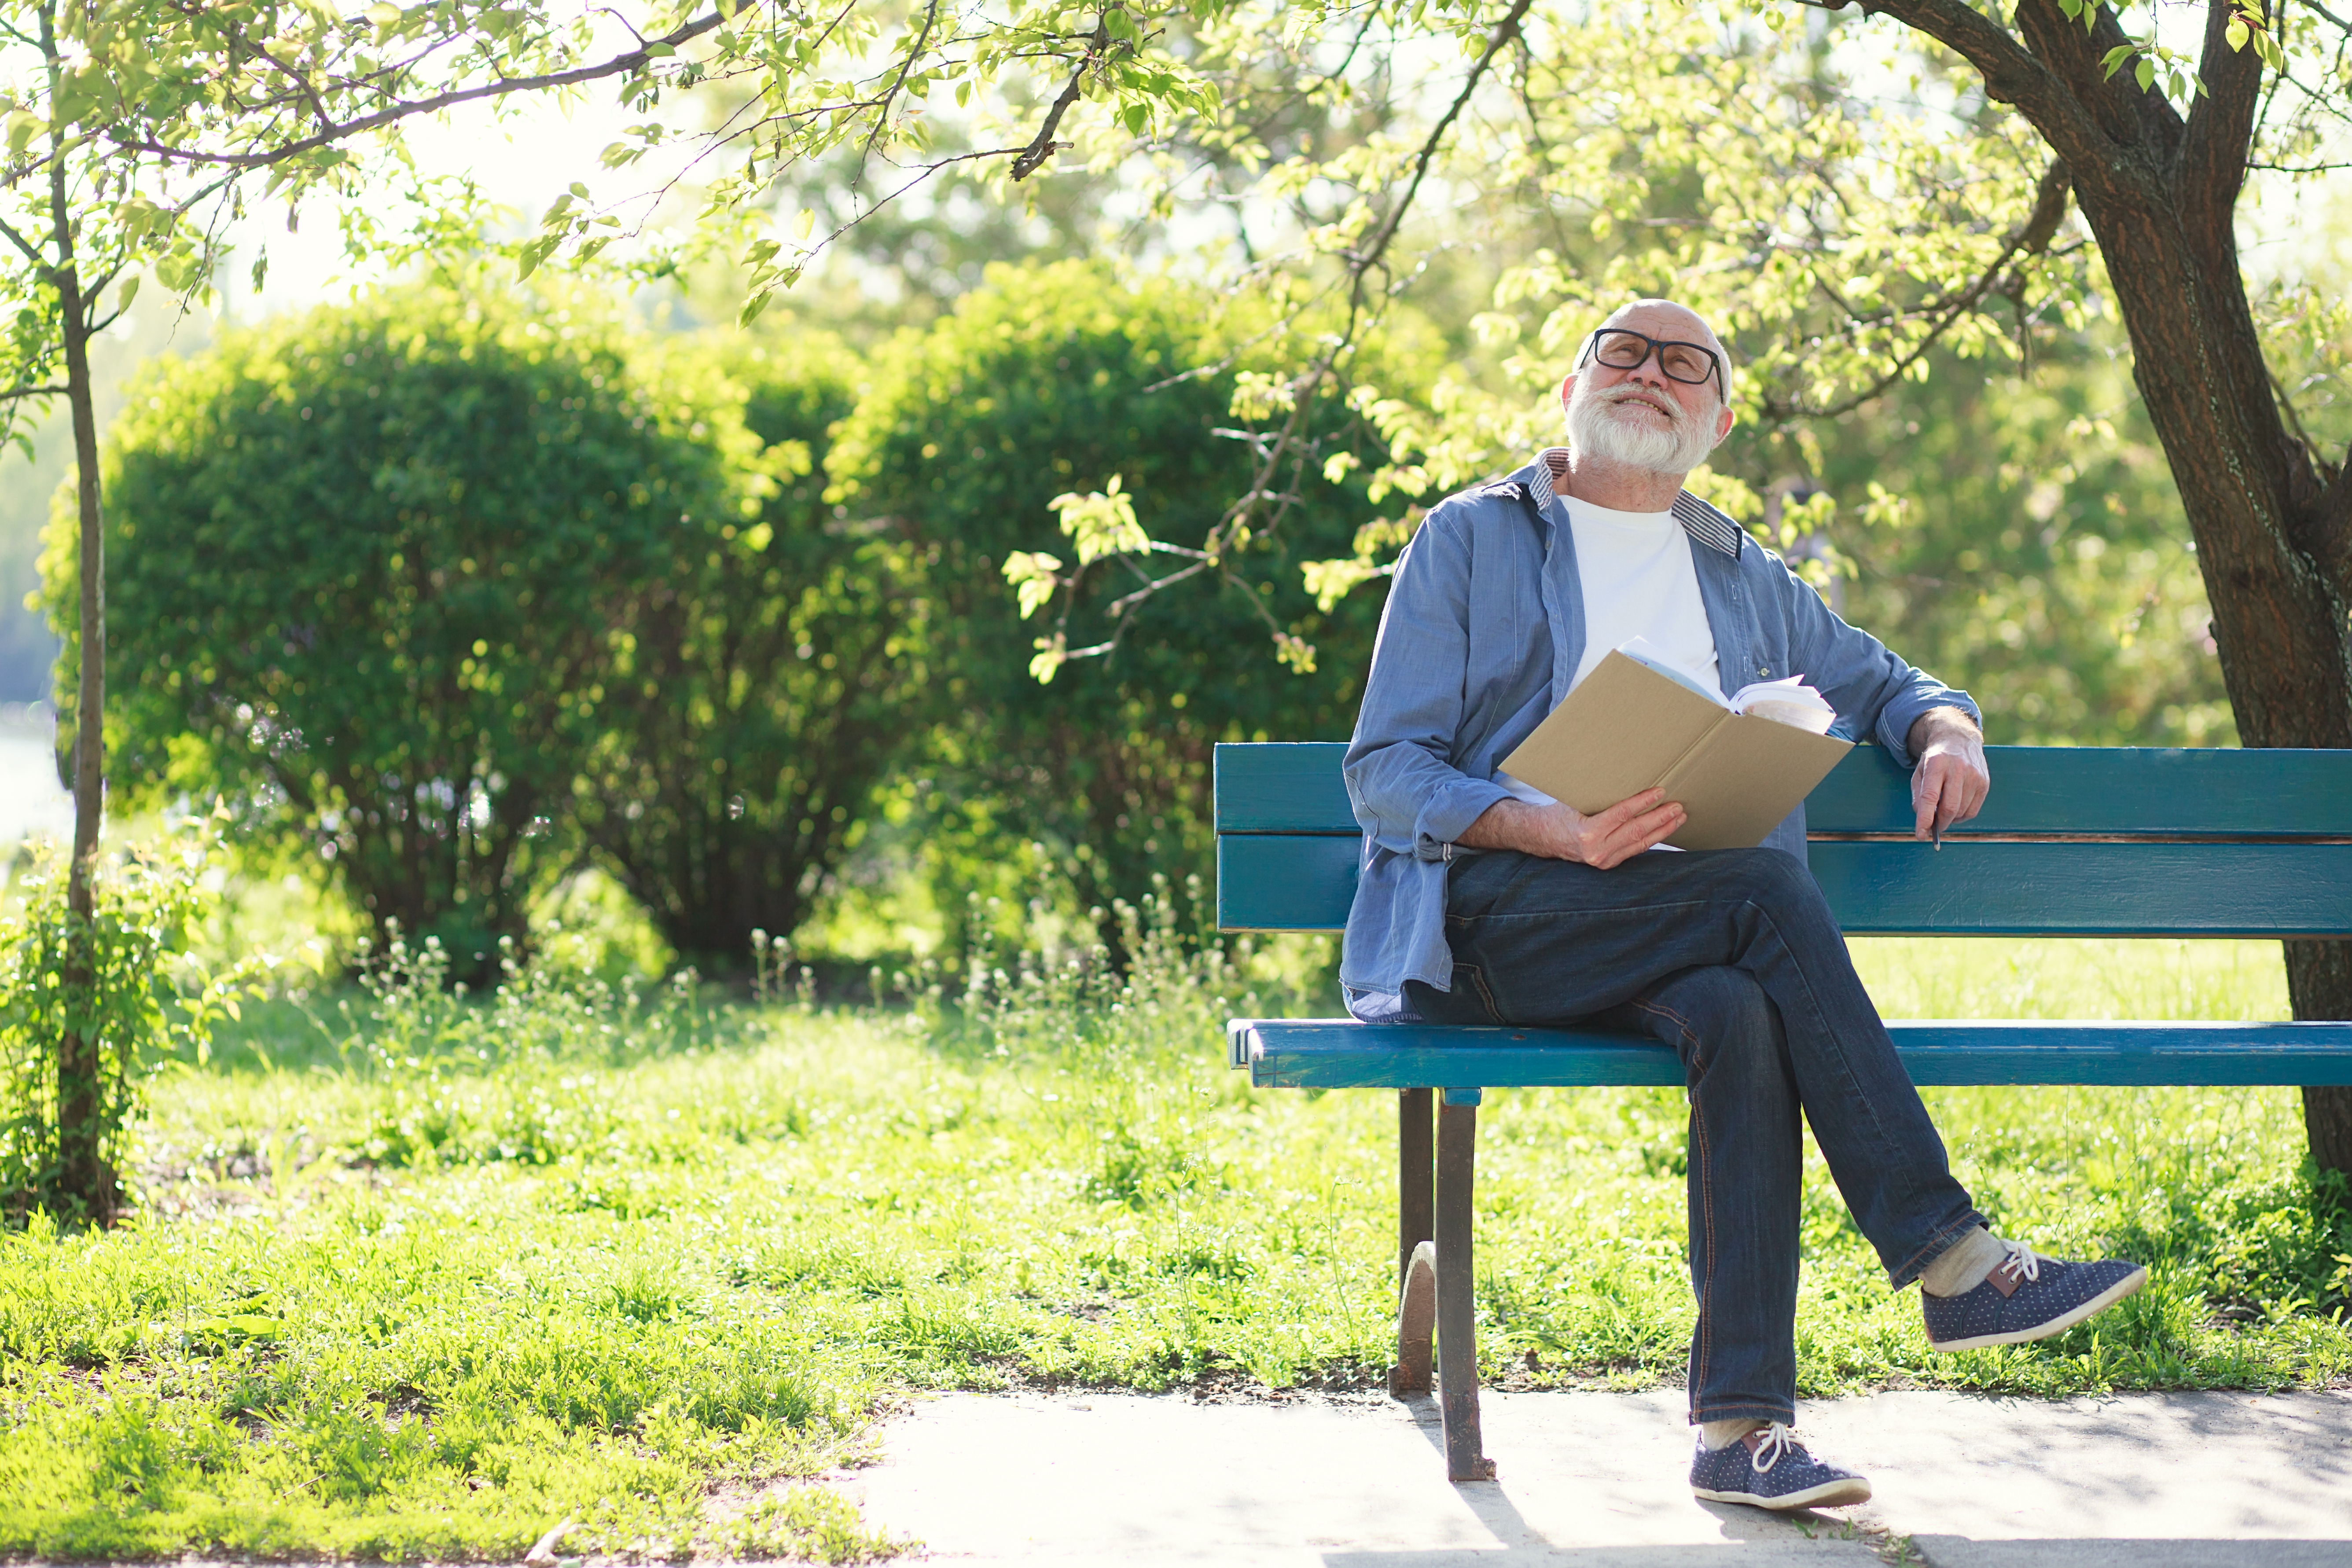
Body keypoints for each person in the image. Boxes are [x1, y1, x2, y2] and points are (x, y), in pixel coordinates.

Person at [1339, 298, 2146, 1511]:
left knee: (1739, 1006)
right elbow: (1384, 769)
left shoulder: (1742, 571)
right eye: (1624, 351)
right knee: (1767, 894)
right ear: (1574, 384)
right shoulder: (1472, 538)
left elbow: (1894, 681)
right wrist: (1551, 824)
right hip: (1501, 917)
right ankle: (1951, 1257)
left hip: (1685, 925)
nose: (1651, 374)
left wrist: (1947, 729)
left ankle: (1740, 1432)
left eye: (1686, 365)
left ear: (1714, 419)